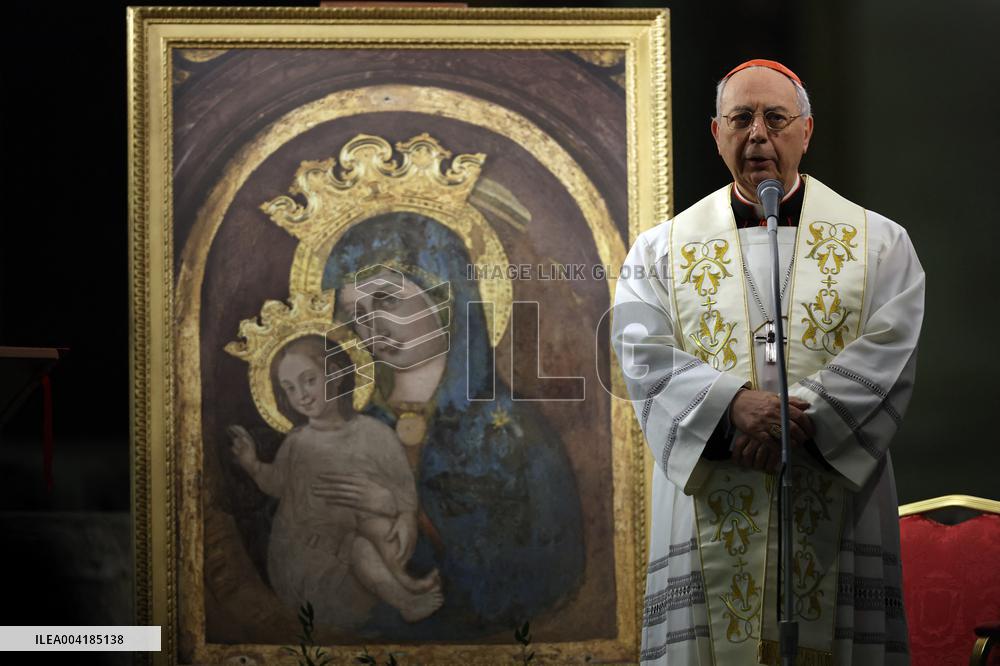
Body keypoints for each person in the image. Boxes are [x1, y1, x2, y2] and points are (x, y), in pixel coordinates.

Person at [612, 59, 923, 665]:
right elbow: (641, 353)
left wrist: (789, 420)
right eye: (741, 118)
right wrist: (731, 410)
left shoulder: (881, 243)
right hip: (717, 478)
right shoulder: (661, 251)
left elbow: (892, 348)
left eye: (775, 118)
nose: (758, 133)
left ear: (805, 131)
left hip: (829, 483)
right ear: (716, 133)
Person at [229, 335, 443, 627]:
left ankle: (405, 582)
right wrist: (252, 464)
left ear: (337, 376)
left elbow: (404, 489)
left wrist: (404, 516)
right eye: (289, 388)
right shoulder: (297, 442)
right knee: (357, 545)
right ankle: (405, 599)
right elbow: (277, 485)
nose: (301, 395)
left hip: (371, 548)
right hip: (307, 555)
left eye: (309, 380)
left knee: (376, 528)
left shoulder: (376, 434)